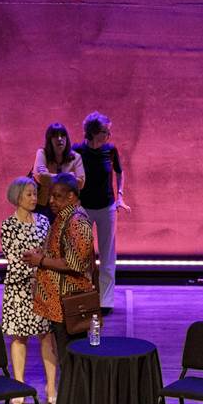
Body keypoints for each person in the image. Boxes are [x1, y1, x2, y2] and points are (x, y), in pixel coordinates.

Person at [26, 173, 97, 372]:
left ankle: (77, 401)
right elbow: (61, 251)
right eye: (51, 196)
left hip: (70, 304)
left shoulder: (77, 222)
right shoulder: (62, 219)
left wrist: (41, 260)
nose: (51, 201)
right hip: (58, 304)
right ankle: (71, 399)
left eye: (57, 196)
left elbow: (74, 263)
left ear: (71, 197)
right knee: (66, 360)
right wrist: (44, 253)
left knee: (73, 360)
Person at [0, 176, 57, 404]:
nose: (34, 198)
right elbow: (13, 258)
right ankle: (19, 384)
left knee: (47, 337)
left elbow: (49, 252)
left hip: (43, 288)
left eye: (35, 194)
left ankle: (52, 385)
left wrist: (39, 260)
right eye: (29, 194)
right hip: (18, 290)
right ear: (17, 197)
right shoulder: (8, 225)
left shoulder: (44, 222)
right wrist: (35, 260)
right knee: (19, 337)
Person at [72, 112, 126, 309]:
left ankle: (105, 301)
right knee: (82, 255)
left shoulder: (110, 150)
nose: (108, 136)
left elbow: (120, 172)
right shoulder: (77, 151)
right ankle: (84, 297)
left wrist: (120, 195)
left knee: (107, 255)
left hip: (106, 208)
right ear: (94, 132)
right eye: (106, 132)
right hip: (83, 208)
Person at [32, 122, 85, 215]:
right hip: (44, 206)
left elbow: (80, 183)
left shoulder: (76, 157)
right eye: (55, 136)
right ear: (49, 139)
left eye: (63, 135)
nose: (60, 139)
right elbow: (41, 177)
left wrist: (50, 176)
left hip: (66, 208)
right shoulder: (42, 153)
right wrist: (69, 177)